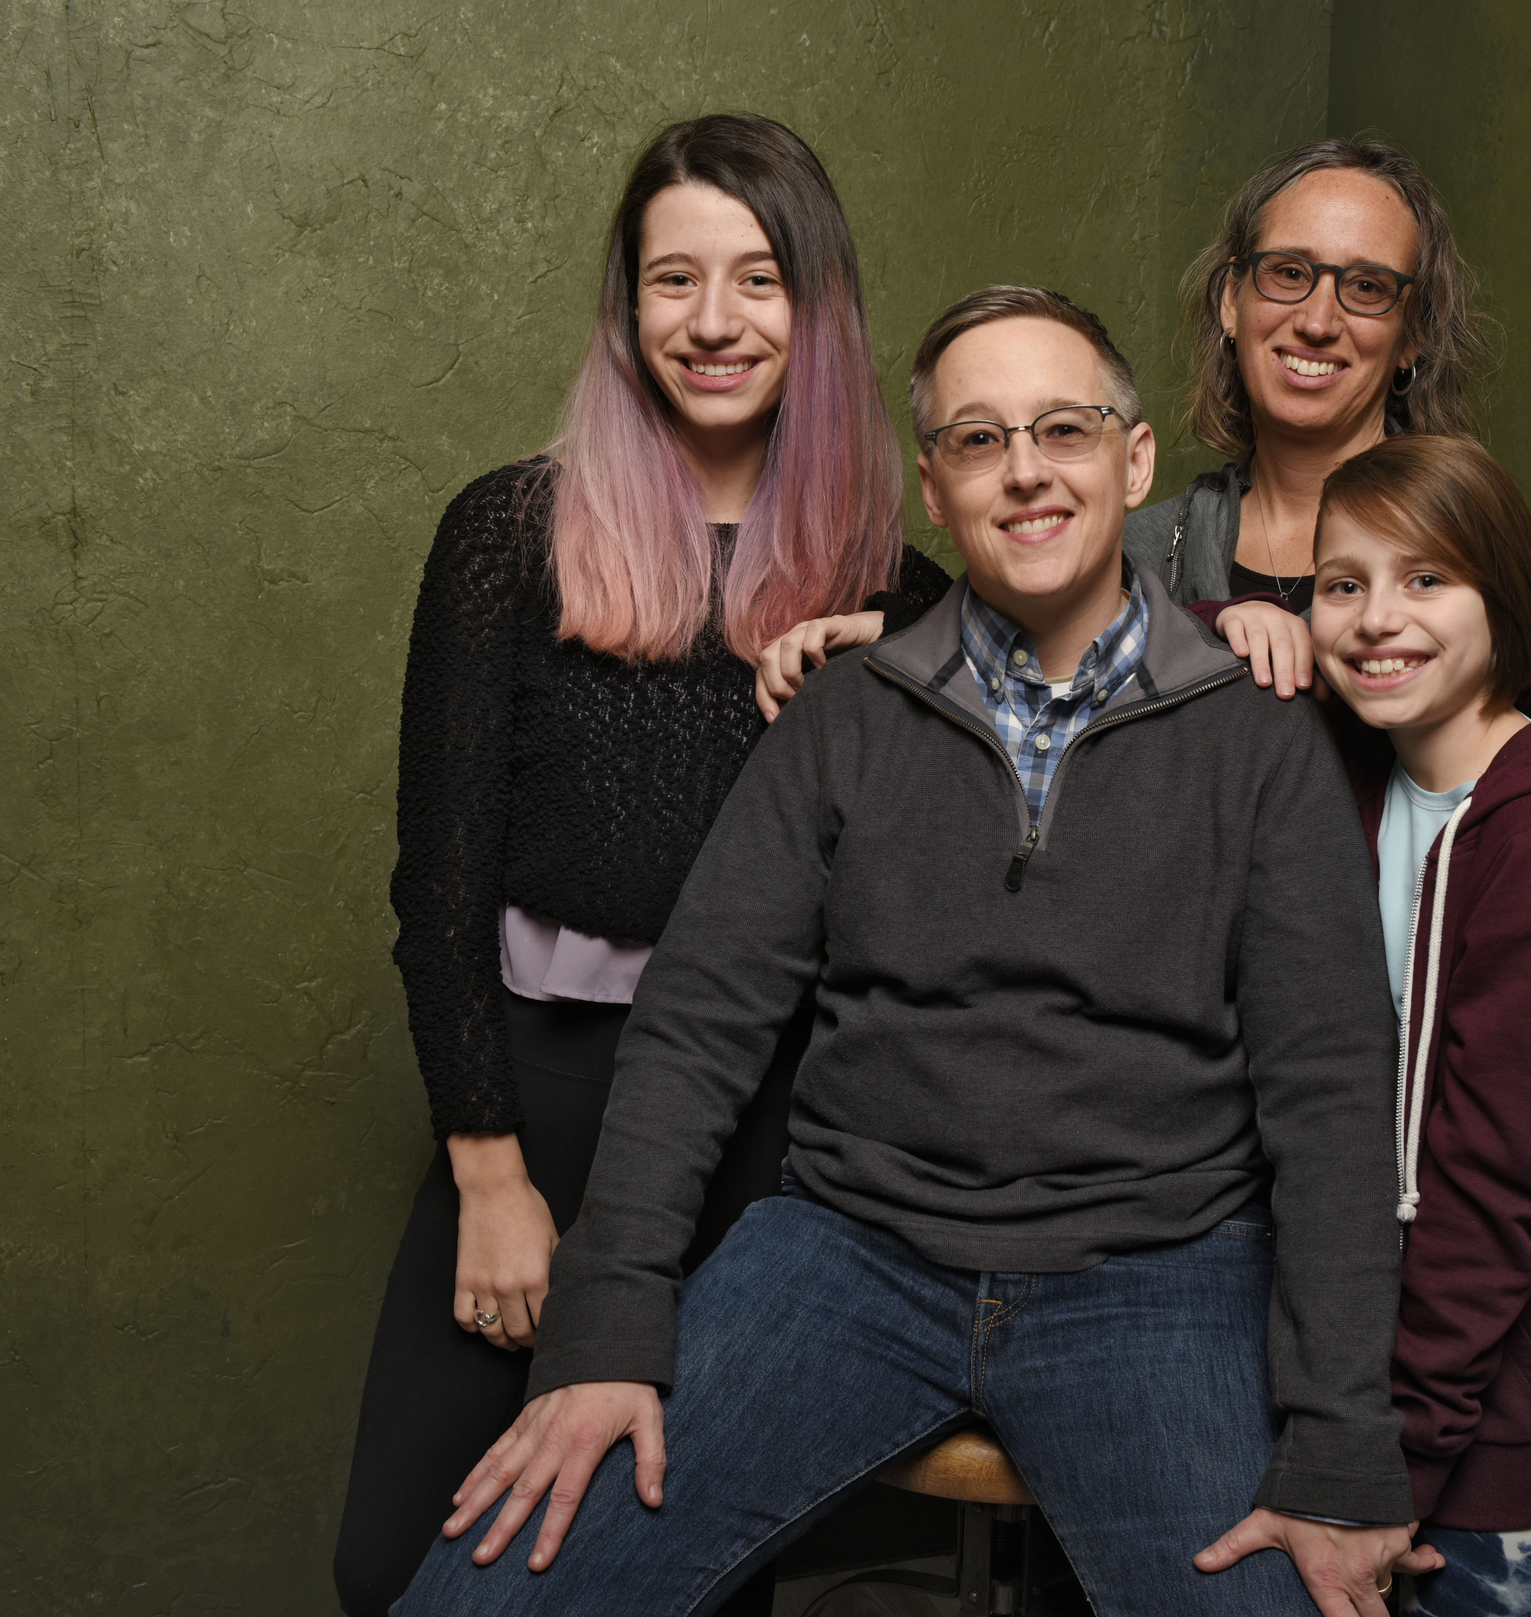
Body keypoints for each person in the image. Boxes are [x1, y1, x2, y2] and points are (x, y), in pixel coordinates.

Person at [393, 286, 1437, 1617]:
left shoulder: (1258, 741)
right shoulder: (844, 716)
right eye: (978, 440)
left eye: (1063, 429)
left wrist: (1344, 1440)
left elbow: (1334, 1097)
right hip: (849, 1257)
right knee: (488, 1595)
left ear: (1133, 459)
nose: (1025, 472)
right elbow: (698, 1026)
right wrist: (606, 1327)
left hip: (1157, 1274)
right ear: (934, 491)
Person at [753, 136, 1531, 1375]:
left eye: (1367, 287)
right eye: (1287, 271)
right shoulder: (1146, 549)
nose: (1318, 314)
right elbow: (1007, 609)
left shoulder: (1474, 565)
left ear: (1412, 334)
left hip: (1435, 1138)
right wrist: (880, 637)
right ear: (1231, 299)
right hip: (1193, 1201)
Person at [331, 114, 950, 1617]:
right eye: (676, 279)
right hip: (535, 1092)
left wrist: (923, 672)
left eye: (757, 278)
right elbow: (441, 882)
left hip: (768, 1126)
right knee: (392, 1566)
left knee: (665, 1566)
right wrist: (488, 1170)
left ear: (819, 308)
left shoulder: (901, 583)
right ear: (627, 306)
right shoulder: (512, 533)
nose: (716, 321)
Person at [1305, 436, 1531, 1613]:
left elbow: (1487, 1179)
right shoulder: (1372, 778)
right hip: (1378, 1392)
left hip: (1488, 1438)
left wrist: (1393, 1469)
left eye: (1426, 580)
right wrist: (1228, 622)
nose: (1376, 619)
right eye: (1339, 585)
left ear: (1505, 599)